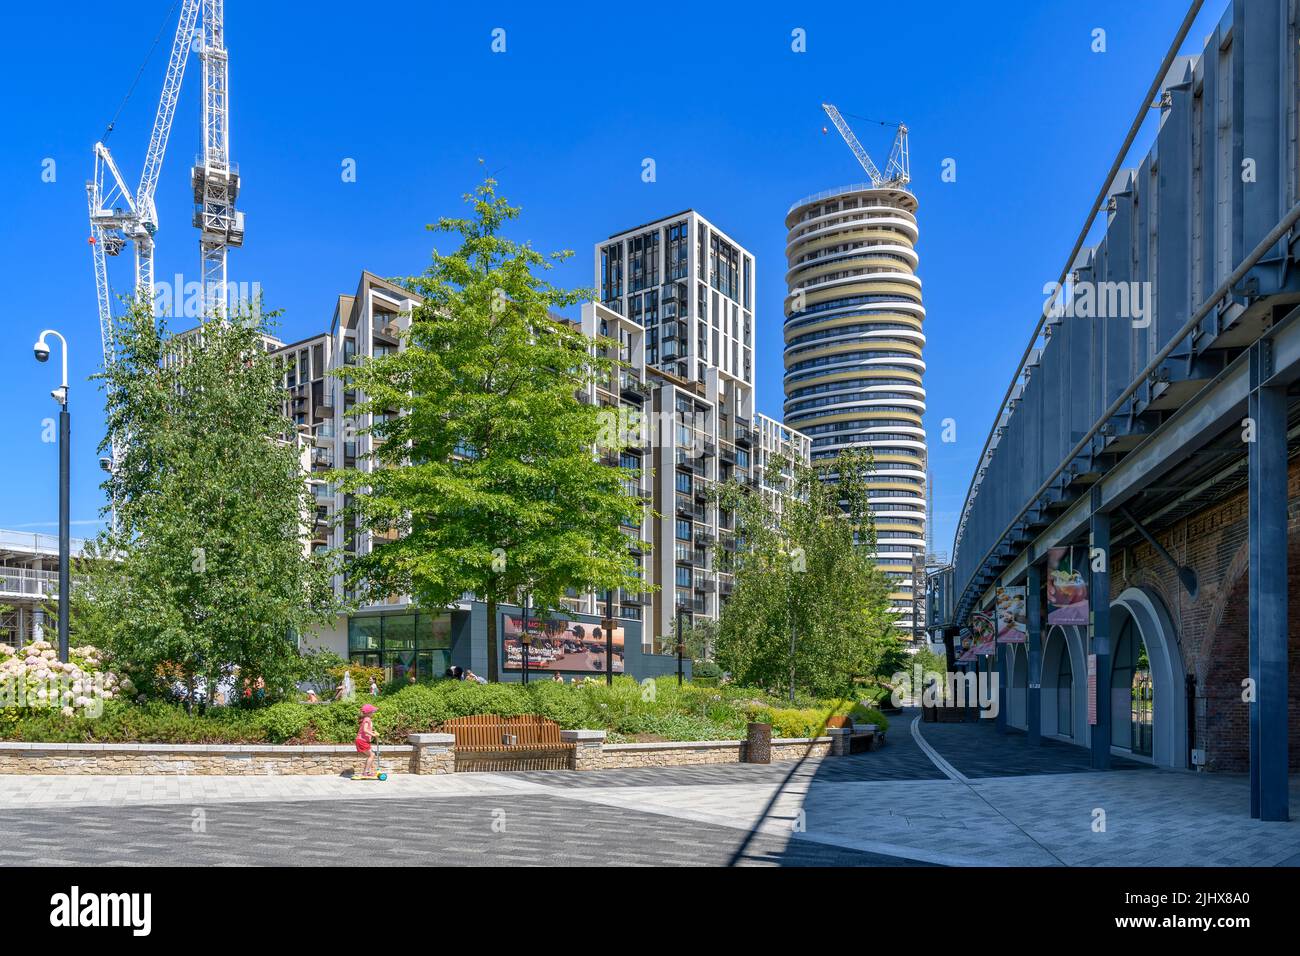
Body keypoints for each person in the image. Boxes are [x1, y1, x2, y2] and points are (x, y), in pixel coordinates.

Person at [356, 703, 378, 778]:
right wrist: (373, 735)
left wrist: (373, 732)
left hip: (362, 740)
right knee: (372, 755)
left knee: (371, 755)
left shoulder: (366, 719)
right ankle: (366, 772)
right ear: (369, 712)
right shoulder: (367, 719)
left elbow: (366, 730)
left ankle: (367, 771)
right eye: (372, 711)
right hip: (362, 740)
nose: (373, 713)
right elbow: (365, 730)